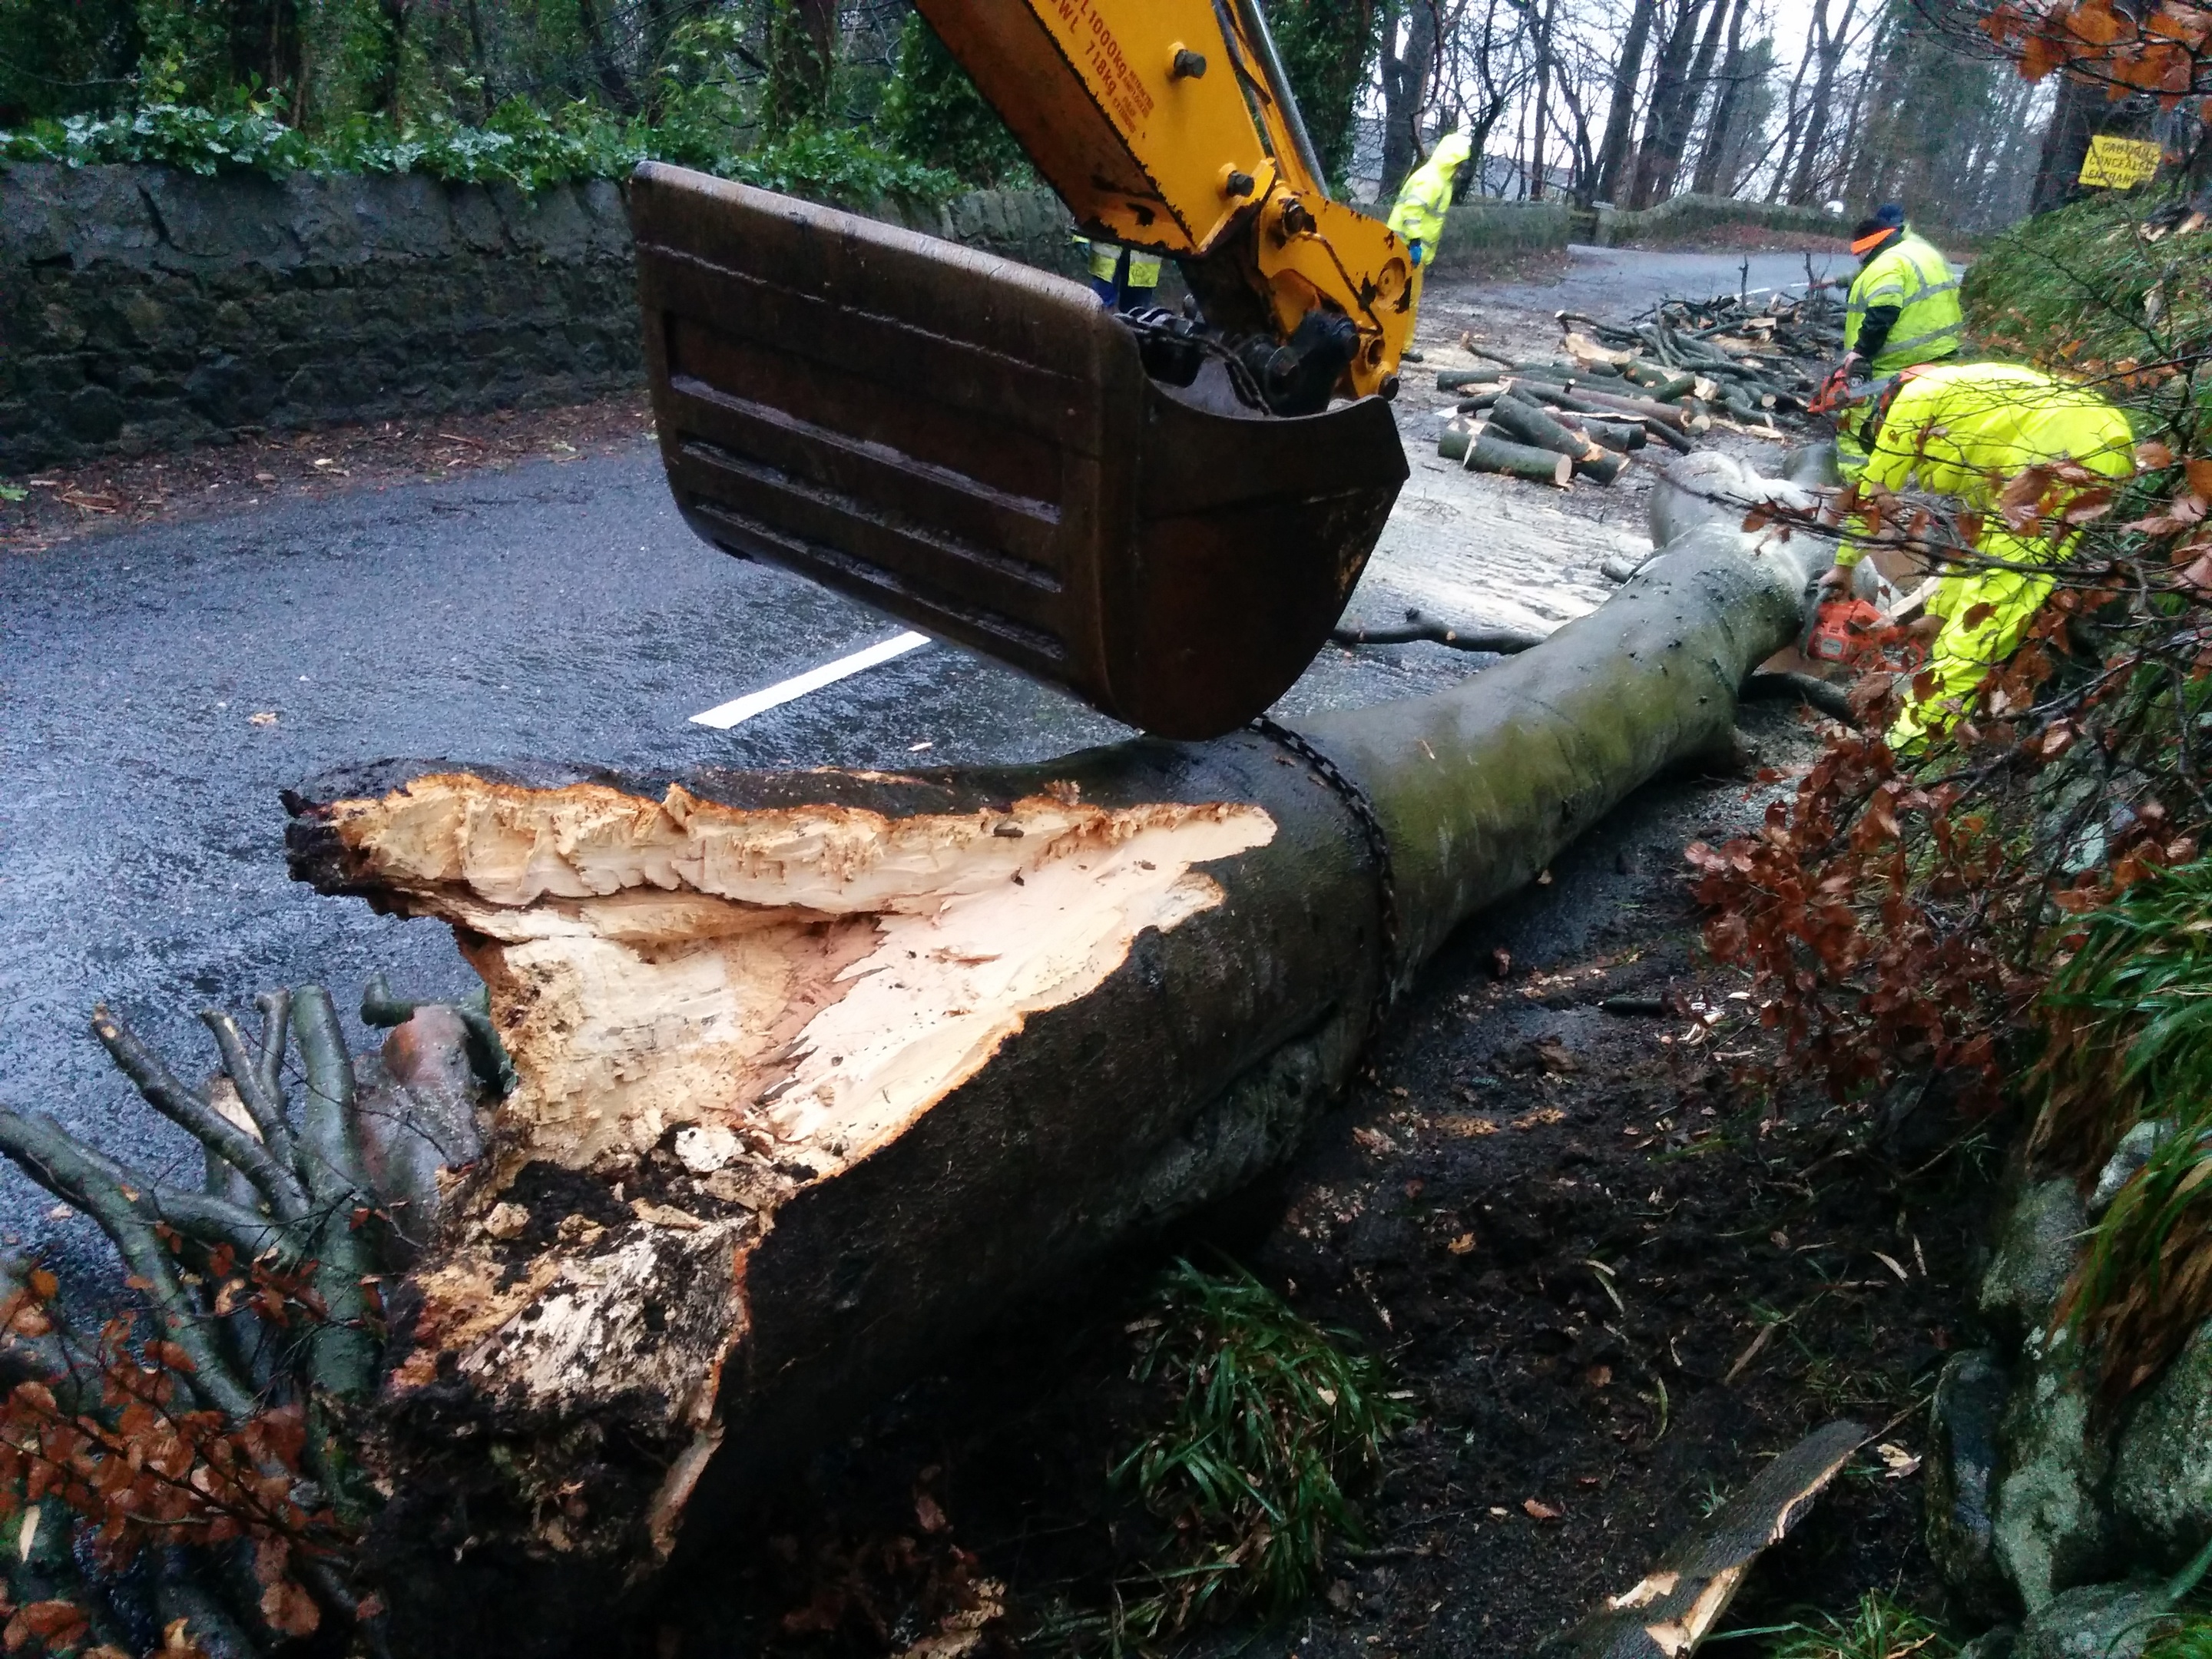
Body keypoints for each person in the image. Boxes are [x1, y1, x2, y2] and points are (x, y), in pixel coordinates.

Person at [1817, 361, 2135, 750]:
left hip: (2067, 455)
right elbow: (1981, 547)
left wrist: (1842, 566)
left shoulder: (1913, 403)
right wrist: (1938, 613)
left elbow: (1870, 496)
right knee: (1996, 575)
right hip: (2095, 439)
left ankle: (1902, 750)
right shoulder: (1963, 403)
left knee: (1993, 608)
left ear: (1880, 403)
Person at [1386, 122, 1476, 329]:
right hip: (1405, 249)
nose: (1460, 169)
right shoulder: (1431, 180)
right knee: (1400, 302)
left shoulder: (1439, 180)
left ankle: (1400, 347)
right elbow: (1412, 211)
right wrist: (1415, 242)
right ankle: (1397, 347)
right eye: (1459, 164)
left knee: (1405, 302)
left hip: (1408, 250)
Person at [1073, 236, 1162, 312]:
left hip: (1145, 255)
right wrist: (1081, 238)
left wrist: (1176, 245)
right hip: (1106, 249)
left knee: (1137, 315)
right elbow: (1086, 215)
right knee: (1099, 308)